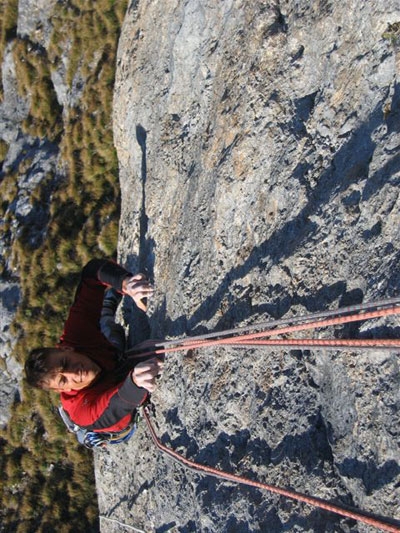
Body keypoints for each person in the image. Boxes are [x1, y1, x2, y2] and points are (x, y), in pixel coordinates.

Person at [24, 258, 163, 440]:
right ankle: (108, 304)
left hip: (112, 355)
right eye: (63, 380)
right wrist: (135, 384)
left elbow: (91, 274)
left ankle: (109, 303)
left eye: (65, 363)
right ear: (60, 391)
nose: (74, 372)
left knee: (111, 329)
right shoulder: (80, 410)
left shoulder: (75, 335)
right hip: (119, 391)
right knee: (112, 332)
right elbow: (113, 408)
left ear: (66, 348)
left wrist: (124, 282)